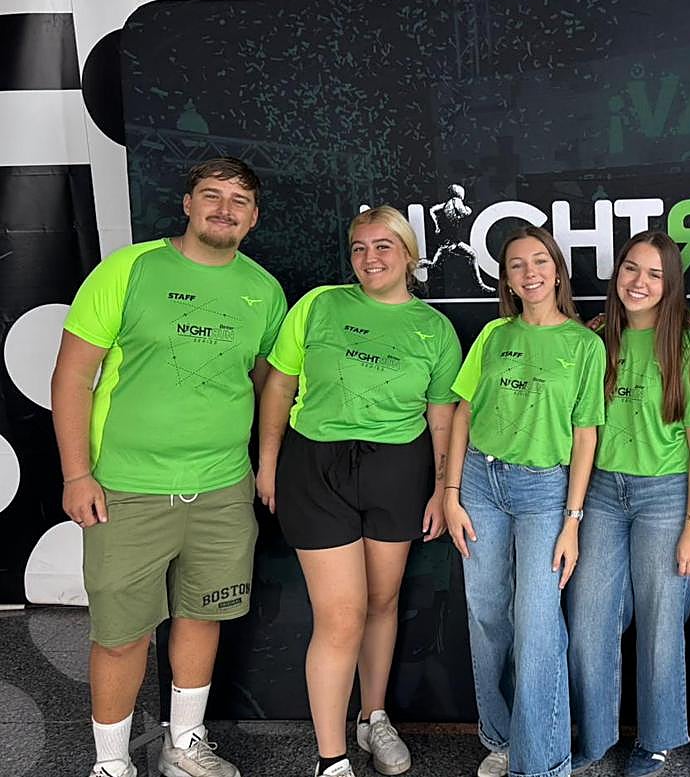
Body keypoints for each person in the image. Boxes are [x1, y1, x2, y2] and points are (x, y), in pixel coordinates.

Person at [51, 157, 286, 777]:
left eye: (239, 200)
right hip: (126, 489)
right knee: (122, 633)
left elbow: (265, 384)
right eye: (211, 195)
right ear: (187, 203)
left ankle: (184, 743)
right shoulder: (128, 270)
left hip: (221, 490)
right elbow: (74, 373)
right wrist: (78, 475)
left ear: (254, 217)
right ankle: (111, 764)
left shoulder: (263, 290)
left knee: (202, 614)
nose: (224, 208)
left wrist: (261, 466)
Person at [256, 206, 462, 777]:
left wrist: (444, 490)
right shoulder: (320, 305)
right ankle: (332, 759)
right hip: (315, 467)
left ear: (409, 256)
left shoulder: (434, 329)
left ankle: (373, 718)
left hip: (398, 470)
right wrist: (267, 463)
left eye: (383, 247)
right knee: (341, 616)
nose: (369, 258)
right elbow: (279, 385)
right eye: (359, 248)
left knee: (382, 603)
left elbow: (441, 417)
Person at [443, 225, 606, 777]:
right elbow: (463, 411)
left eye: (540, 261)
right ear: (505, 278)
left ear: (557, 270)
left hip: (544, 491)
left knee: (537, 623)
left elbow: (586, 434)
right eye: (517, 265)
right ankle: (500, 735)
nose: (529, 273)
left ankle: (542, 761)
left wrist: (573, 520)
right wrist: (450, 492)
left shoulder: (585, 344)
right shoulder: (492, 335)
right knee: (487, 613)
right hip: (479, 483)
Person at [566, 231, 690, 777]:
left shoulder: (687, 347)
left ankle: (657, 740)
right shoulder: (596, 338)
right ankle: (597, 736)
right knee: (589, 617)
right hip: (604, 492)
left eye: (654, 274)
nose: (639, 282)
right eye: (631, 269)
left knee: (660, 621)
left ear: (670, 284)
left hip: (665, 494)